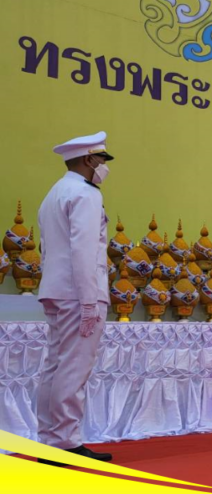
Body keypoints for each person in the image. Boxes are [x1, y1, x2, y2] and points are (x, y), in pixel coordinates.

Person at [35, 131, 115, 466]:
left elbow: (45, 248)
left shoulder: (54, 192)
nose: (102, 167)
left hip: (56, 288)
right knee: (74, 366)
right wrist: (87, 302)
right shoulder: (85, 194)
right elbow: (83, 250)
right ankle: (66, 444)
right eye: (100, 160)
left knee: (55, 365)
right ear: (87, 160)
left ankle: (51, 440)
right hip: (79, 291)